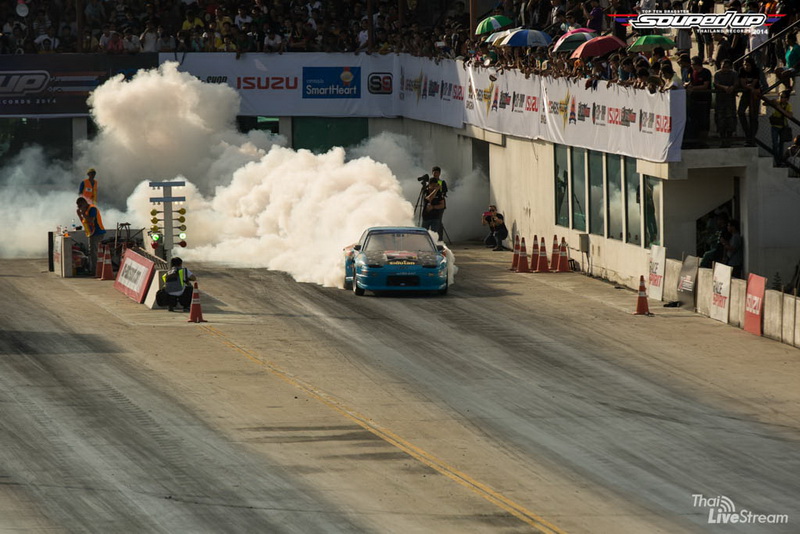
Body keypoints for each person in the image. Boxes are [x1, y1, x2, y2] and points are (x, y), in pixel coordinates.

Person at [76, 197, 106, 276]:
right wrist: (80, 215)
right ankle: (93, 269)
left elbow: (91, 220)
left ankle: (95, 271)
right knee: (92, 252)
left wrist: (82, 213)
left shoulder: (92, 209)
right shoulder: (86, 211)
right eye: (78, 206)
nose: (80, 208)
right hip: (92, 233)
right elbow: (84, 222)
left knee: (94, 252)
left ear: (84, 203)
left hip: (97, 233)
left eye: (80, 206)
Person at [713, 59, 738, 147]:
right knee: (720, 120)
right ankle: (723, 139)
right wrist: (724, 88)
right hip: (720, 101)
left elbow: (736, 83)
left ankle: (729, 139)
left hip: (730, 101)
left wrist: (732, 88)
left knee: (730, 119)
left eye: (727, 67)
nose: (724, 69)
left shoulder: (734, 74)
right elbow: (715, 83)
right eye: (723, 66)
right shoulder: (717, 74)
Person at [768, 90, 793, 166]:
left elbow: (790, 115)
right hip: (775, 126)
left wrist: (779, 108)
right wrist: (771, 101)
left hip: (782, 127)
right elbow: (764, 104)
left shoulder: (788, 106)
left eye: (783, 97)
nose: (781, 98)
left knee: (781, 145)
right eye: (781, 97)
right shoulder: (777, 103)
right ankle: (777, 161)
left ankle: (780, 161)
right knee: (775, 144)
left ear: (787, 99)